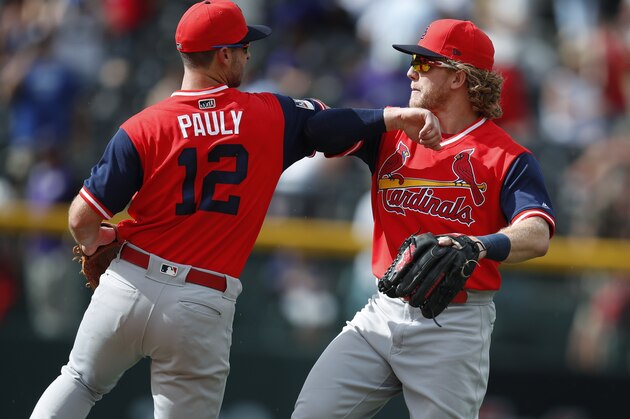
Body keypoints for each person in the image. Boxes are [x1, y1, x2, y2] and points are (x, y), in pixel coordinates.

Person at [29, 1, 442, 418]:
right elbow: (336, 124)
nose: (248, 53)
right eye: (244, 46)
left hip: (131, 279)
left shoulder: (143, 125)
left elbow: (81, 217)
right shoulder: (268, 115)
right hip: (200, 300)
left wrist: (97, 241)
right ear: (223, 55)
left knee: (80, 380)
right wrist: (395, 116)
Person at [292, 19, 556, 419]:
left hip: (454, 323)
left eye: (424, 62)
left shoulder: (507, 156)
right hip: (382, 311)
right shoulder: (393, 132)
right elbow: (313, 130)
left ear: (458, 78)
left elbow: (537, 234)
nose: (411, 71)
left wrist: (480, 245)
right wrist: (387, 118)